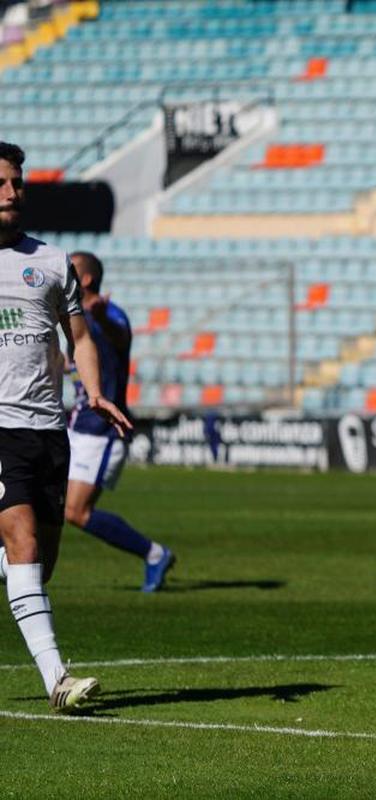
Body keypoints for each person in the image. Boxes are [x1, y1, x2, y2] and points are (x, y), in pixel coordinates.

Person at [0, 141, 132, 711]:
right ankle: (58, 680)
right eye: (3, 182)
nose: (12, 193)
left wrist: (95, 391)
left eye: (18, 183)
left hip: (50, 431)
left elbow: (78, 338)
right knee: (23, 541)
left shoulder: (52, 264)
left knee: (37, 562)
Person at [62, 252, 175, 592]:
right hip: (75, 424)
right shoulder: (75, 317)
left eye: (71, 269)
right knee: (35, 495)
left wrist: (102, 319)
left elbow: (121, 339)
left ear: (85, 280)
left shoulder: (109, 313)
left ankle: (154, 554)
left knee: (76, 512)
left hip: (101, 429)